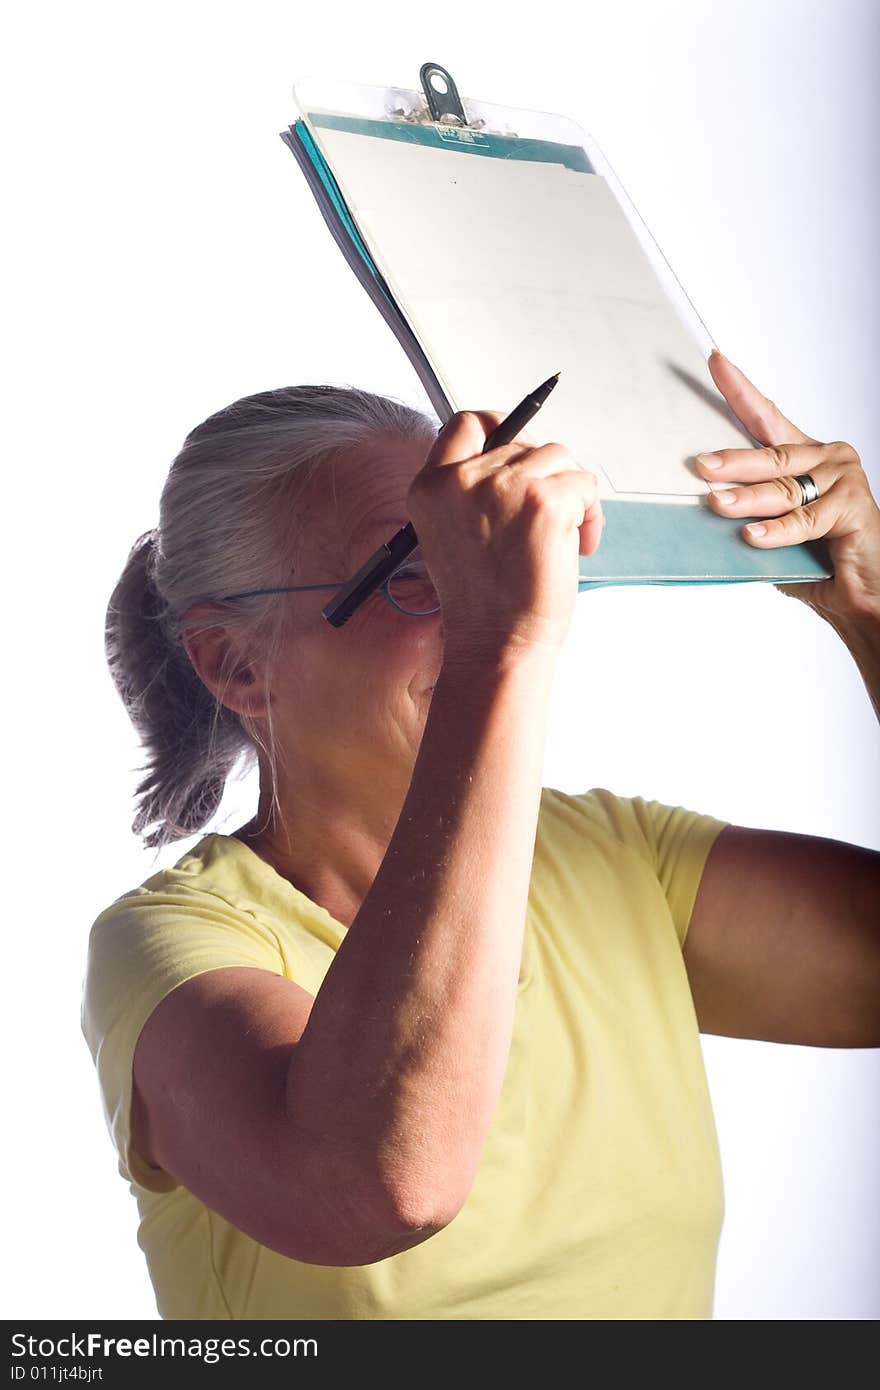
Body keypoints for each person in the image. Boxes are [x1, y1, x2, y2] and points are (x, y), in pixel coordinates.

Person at [82, 358, 880, 1320]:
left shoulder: (615, 859)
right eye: (420, 571)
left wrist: (872, 609)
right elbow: (379, 1183)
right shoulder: (172, 945)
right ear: (235, 664)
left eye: (482, 556)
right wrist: (500, 643)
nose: (488, 592)